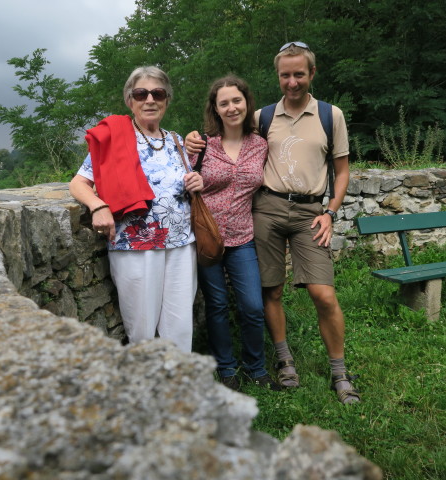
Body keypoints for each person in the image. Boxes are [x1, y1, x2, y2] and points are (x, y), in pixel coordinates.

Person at [186, 42, 360, 403]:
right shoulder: (262, 118)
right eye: (285, 75)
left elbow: (342, 171)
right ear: (277, 77)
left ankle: (339, 371)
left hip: (310, 213)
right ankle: (281, 361)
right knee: (270, 292)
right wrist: (190, 140)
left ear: (312, 74)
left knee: (322, 294)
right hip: (263, 211)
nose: (292, 82)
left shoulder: (331, 115)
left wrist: (330, 211)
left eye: (299, 74)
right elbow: (217, 136)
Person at [70, 65, 203, 353]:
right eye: (141, 93)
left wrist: (195, 181)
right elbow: (79, 183)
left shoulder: (177, 141)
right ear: (130, 100)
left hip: (181, 244)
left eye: (158, 93)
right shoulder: (114, 139)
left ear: (167, 99)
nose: (150, 100)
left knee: (179, 325)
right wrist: (98, 205)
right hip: (135, 245)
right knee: (142, 328)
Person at [189, 75, 279, 391]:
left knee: (252, 306)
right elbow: (181, 179)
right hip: (207, 237)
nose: (231, 108)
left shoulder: (260, 145)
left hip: (243, 238)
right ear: (215, 108)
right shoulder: (202, 144)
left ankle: (256, 367)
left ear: (246, 102)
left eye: (236, 100)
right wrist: (194, 182)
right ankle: (227, 368)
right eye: (224, 103)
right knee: (216, 306)